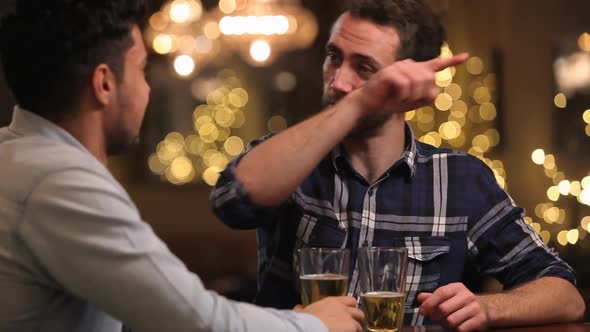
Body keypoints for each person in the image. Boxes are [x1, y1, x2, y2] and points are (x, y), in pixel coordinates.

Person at [211, 0, 586, 330]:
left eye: (365, 68)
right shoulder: (290, 158)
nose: (339, 81)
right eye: (333, 57)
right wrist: (360, 102)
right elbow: (231, 201)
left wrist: (486, 307)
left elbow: (565, 294)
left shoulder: (460, 180)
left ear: (410, 82)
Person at [0, 1, 366, 332]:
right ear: (104, 84)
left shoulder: (17, 156)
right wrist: (314, 325)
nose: (147, 89)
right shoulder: (60, 181)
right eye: (142, 69)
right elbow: (199, 322)